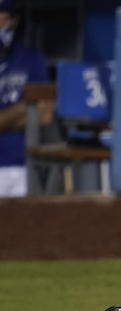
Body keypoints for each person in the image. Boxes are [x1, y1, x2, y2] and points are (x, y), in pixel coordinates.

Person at [0, 0, 52, 197]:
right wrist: (23, 109)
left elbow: (44, 115)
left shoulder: (31, 59)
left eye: (1, 13)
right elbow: (33, 112)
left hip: (23, 167)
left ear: (14, 20)